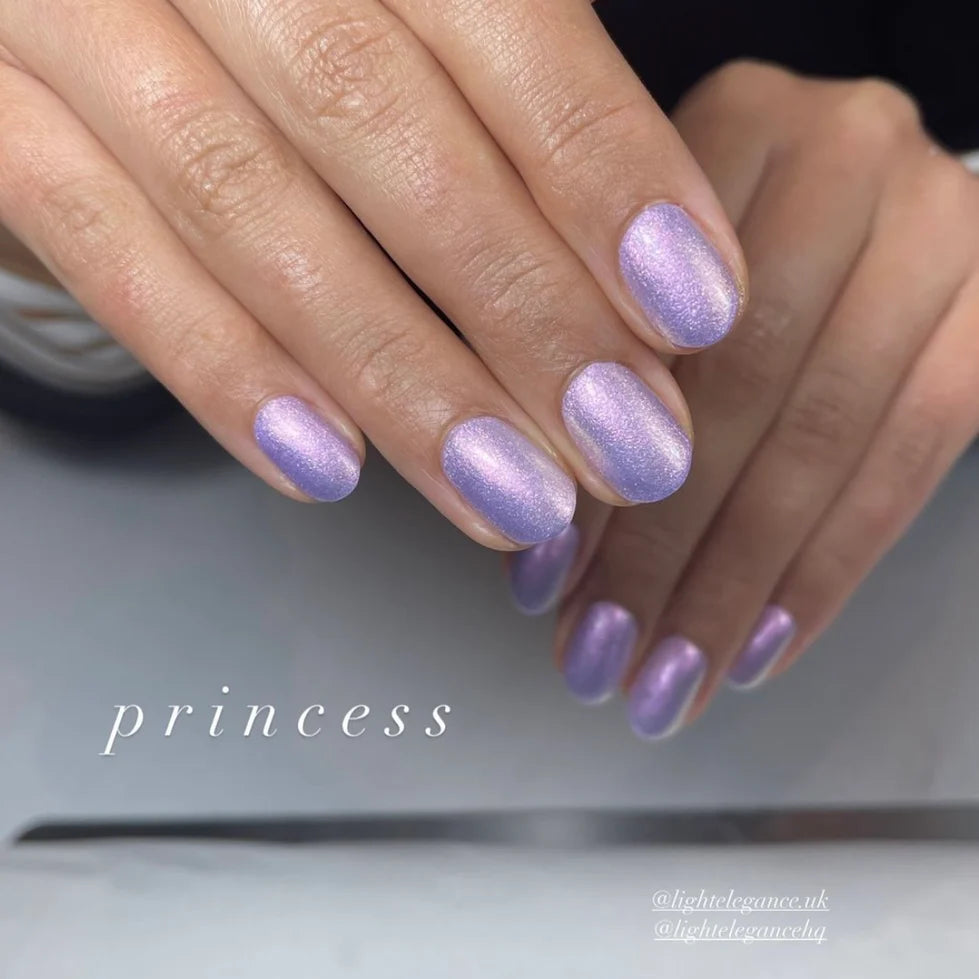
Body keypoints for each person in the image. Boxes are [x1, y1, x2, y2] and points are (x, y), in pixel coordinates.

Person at [0, 0, 975, 738]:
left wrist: (953, 199)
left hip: (884, 694)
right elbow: (93, 393)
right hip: (244, 650)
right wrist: (53, 230)